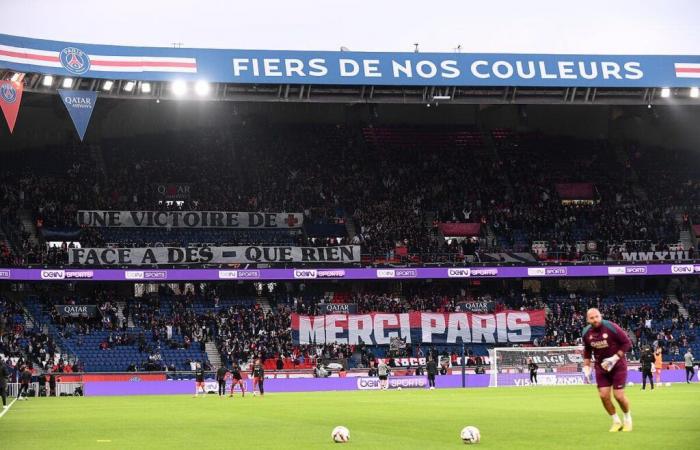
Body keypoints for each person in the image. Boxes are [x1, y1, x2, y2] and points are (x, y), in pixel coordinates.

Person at [582, 308, 633, 432]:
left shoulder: (611, 327)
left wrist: (614, 358)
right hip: (601, 367)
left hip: (618, 365)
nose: (595, 319)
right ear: (588, 320)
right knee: (604, 396)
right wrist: (587, 367)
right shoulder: (586, 332)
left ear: (601, 316)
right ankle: (616, 421)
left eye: (597, 316)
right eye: (592, 318)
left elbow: (627, 343)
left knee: (619, 396)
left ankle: (627, 419)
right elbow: (587, 350)